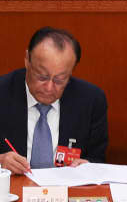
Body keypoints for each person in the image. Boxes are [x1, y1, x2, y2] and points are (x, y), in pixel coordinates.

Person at [0, 28, 107, 174]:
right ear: (27, 60)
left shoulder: (91, 100)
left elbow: (97, 159)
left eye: (59, 80)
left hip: (67, 186)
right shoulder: (3, 92)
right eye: (42, 76)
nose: (49, 88)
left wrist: (88, 166)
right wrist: (1, 161)